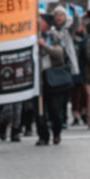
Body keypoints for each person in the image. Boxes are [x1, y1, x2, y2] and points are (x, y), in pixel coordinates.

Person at [35, 13, 72, 145]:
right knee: (39, 110)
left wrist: (44, 46)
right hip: (38, 79)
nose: (37, 23)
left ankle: (56, 133)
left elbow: (59, 53)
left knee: (55, 110)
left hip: (53, 78)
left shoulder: (54, 35)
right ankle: (43, 136)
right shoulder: (32, 36)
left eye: (40, 21)